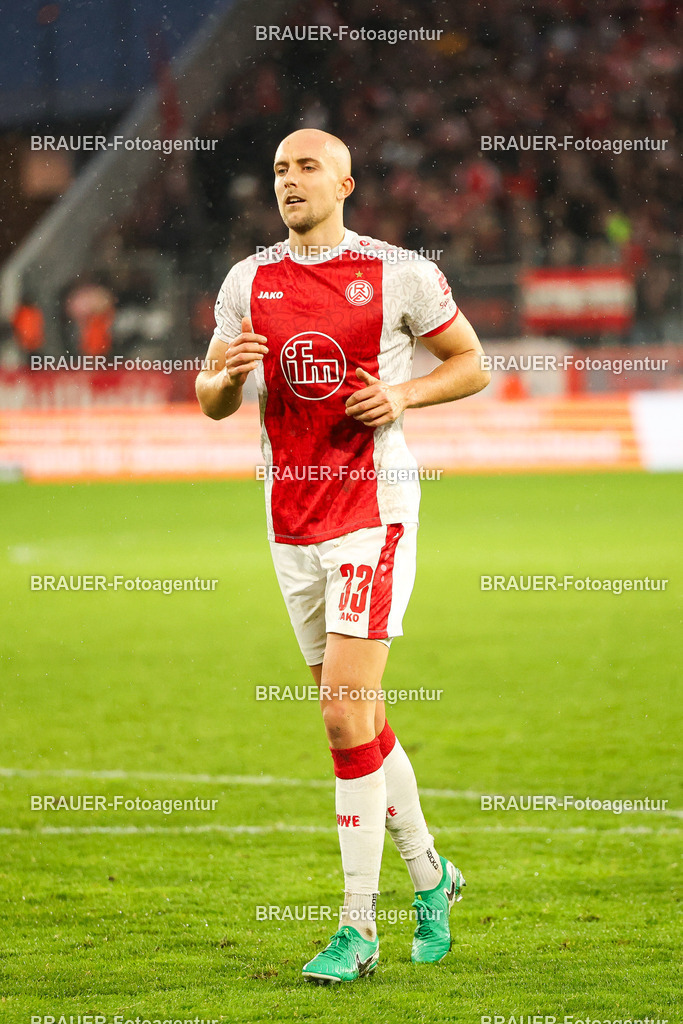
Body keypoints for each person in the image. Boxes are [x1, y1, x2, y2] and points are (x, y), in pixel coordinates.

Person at [196, 128, 490, 984]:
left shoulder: (399, 272)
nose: (289, 180)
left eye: (307, 167)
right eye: (279, 169)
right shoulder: (247, 281)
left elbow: (470, 362)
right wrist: (227, 377)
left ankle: (356, 927)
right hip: (289, 518)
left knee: (339, 714)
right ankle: (431, 875)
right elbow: (209, 396)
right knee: (356, 717)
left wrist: (402, 393)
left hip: (372, 510)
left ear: (345, 183)